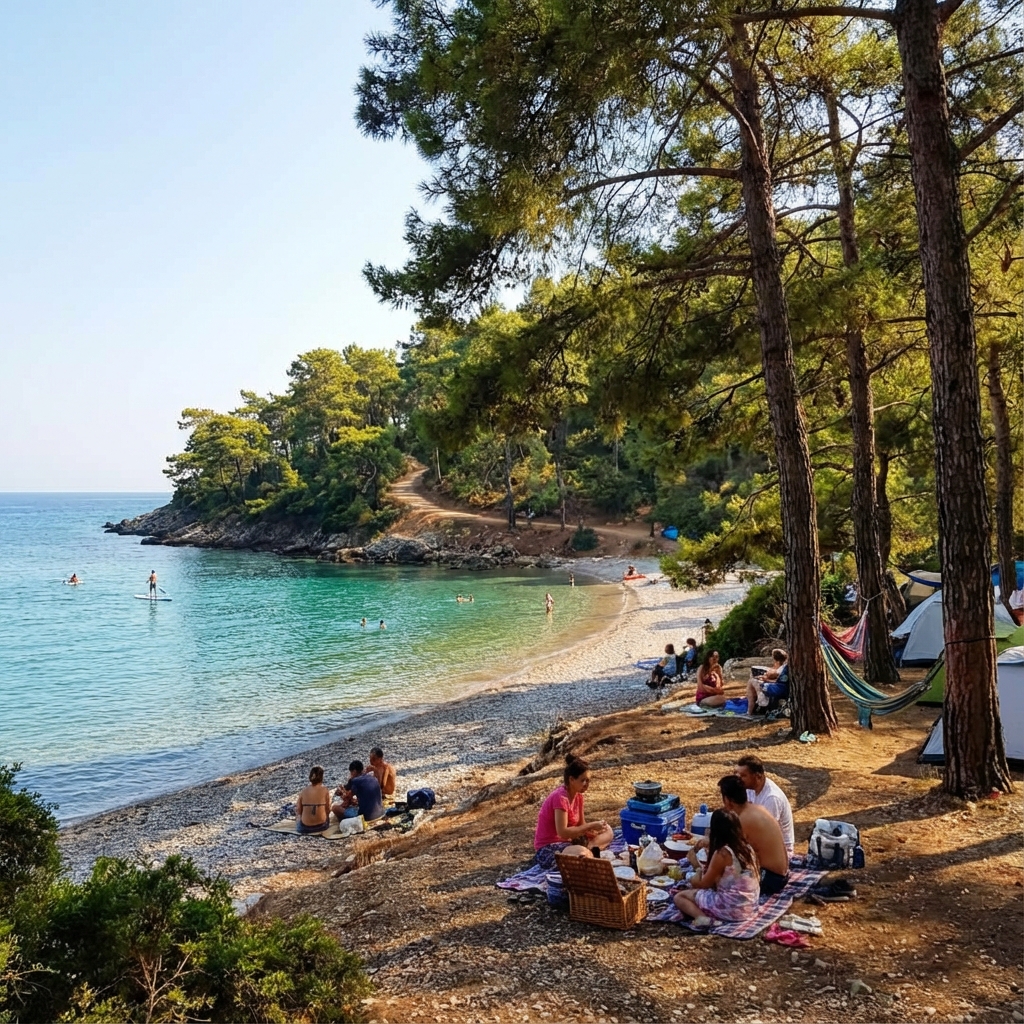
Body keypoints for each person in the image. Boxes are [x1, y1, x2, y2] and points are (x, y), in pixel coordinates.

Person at [673, 808, 760, 927]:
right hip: (750, 907)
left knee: (680, 897)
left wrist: (696, 867)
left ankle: (703, 918)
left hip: (731, 909)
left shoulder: (723, 853)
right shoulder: (747, 848)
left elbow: (703, 884)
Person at [533, 754, 614, 870]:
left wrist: (592, 831)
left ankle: (589, 848)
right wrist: (590, 826)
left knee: (608, 830)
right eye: (583, 780)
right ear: (571, 780)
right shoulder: (560, 798)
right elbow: (563, 832)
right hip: (550, 847)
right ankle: (588, 852)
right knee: (580, 854)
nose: (586, 784)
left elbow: (581, 825)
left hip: (570, 842)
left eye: (588, 780)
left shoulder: (578, 796)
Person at [714, 774, 789, 894]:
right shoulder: (756, 808)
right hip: (782, 874)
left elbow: (725, 852)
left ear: (727, 800)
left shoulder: (743, 820)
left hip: (771, 879)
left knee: (718, 880)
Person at [736, 754, 795, 856]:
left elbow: (767, 834)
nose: (739, 779)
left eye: (743, 776)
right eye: (738, 774)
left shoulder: (771, 798)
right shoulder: (750, 789)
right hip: (759, 840)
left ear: (758, 776)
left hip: (779, 851)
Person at [745, 649, 789, 715]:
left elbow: (777, 681)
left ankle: (751, 709)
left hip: (780, 688)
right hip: (781, 685)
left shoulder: (783, 668)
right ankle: (755, 704)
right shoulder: (784, 667)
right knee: (753, 680)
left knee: (752, 681)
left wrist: (766, 680)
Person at [295, 765, 332, 834]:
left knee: (298, 818)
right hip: (322, 826)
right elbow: (328, 809)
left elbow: (298, 810)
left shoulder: (304, 791)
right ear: (321, 778)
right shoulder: (325, 790)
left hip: (305, 828)